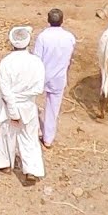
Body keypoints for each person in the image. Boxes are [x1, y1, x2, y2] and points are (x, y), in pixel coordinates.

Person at [0, 26, 45, 182]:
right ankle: (32, 170)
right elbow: (39, 88)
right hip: (28, 106)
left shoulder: (6, 63)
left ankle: (4, 164)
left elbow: (5, 90)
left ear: (11, 42)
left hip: (9, 106)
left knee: (6, 134)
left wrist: (13, 112)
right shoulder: (36, 62)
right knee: (29, 137)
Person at [32, 9, 75, 150]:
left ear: (48, 20)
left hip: (42, 75)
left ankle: (34, 129)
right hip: (59, 77)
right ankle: (48, 138)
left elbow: (36, 58)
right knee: (53, 108)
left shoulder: (43, 37)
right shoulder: (69, 37)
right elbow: (69, 58)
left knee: (30, 101)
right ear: (62, 21)